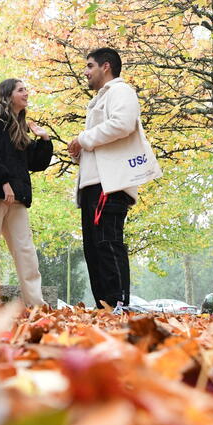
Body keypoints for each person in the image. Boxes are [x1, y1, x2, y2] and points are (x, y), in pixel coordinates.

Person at [67, 48, 141, 309]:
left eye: (89, 66)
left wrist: (83, 139)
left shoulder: (121, 92)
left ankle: (117, 303)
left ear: (105, 67)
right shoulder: (101, 99)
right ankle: (104, 307)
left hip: (109, 184)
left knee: (107, 243)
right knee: (93, 248)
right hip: (93, 184)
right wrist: (80, 150)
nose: (86, 72)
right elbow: (103, 139)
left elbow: (123, 124)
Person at [0, 79, 52, 307]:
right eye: (21, 90)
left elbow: (34, 163)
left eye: (26, 88)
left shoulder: (21, 124)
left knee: (25, 251)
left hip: (17, 198)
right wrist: (3, 181)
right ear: (8, 95)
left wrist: (44, 139)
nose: (26, 93)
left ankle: (36, 304)